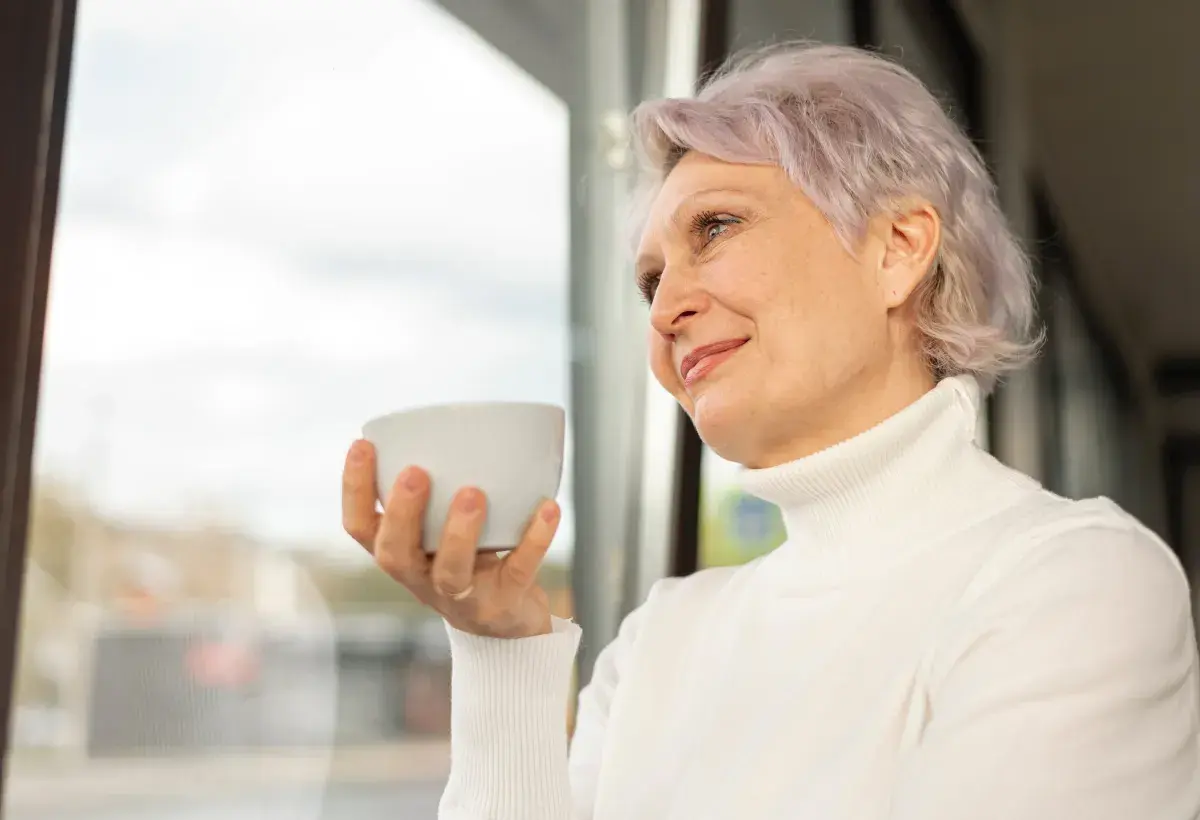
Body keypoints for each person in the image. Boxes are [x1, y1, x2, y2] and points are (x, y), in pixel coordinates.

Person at [341, 42, 1200, 819]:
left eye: (715, 229)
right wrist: (503, 657)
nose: (668, 308)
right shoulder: (660, 640)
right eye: (650, 283)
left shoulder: (1073, 580)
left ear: (899, 247)